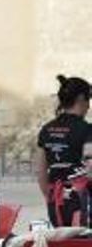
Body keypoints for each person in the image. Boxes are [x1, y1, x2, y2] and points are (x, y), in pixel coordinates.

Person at [37, 75, 91, 227]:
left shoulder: (46, 130)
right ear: (81, 99)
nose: (89, 106)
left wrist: (51, 197)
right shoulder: (87, 130)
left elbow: (40, 172)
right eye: (88, 100)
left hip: (56, 203)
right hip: (82, 202)